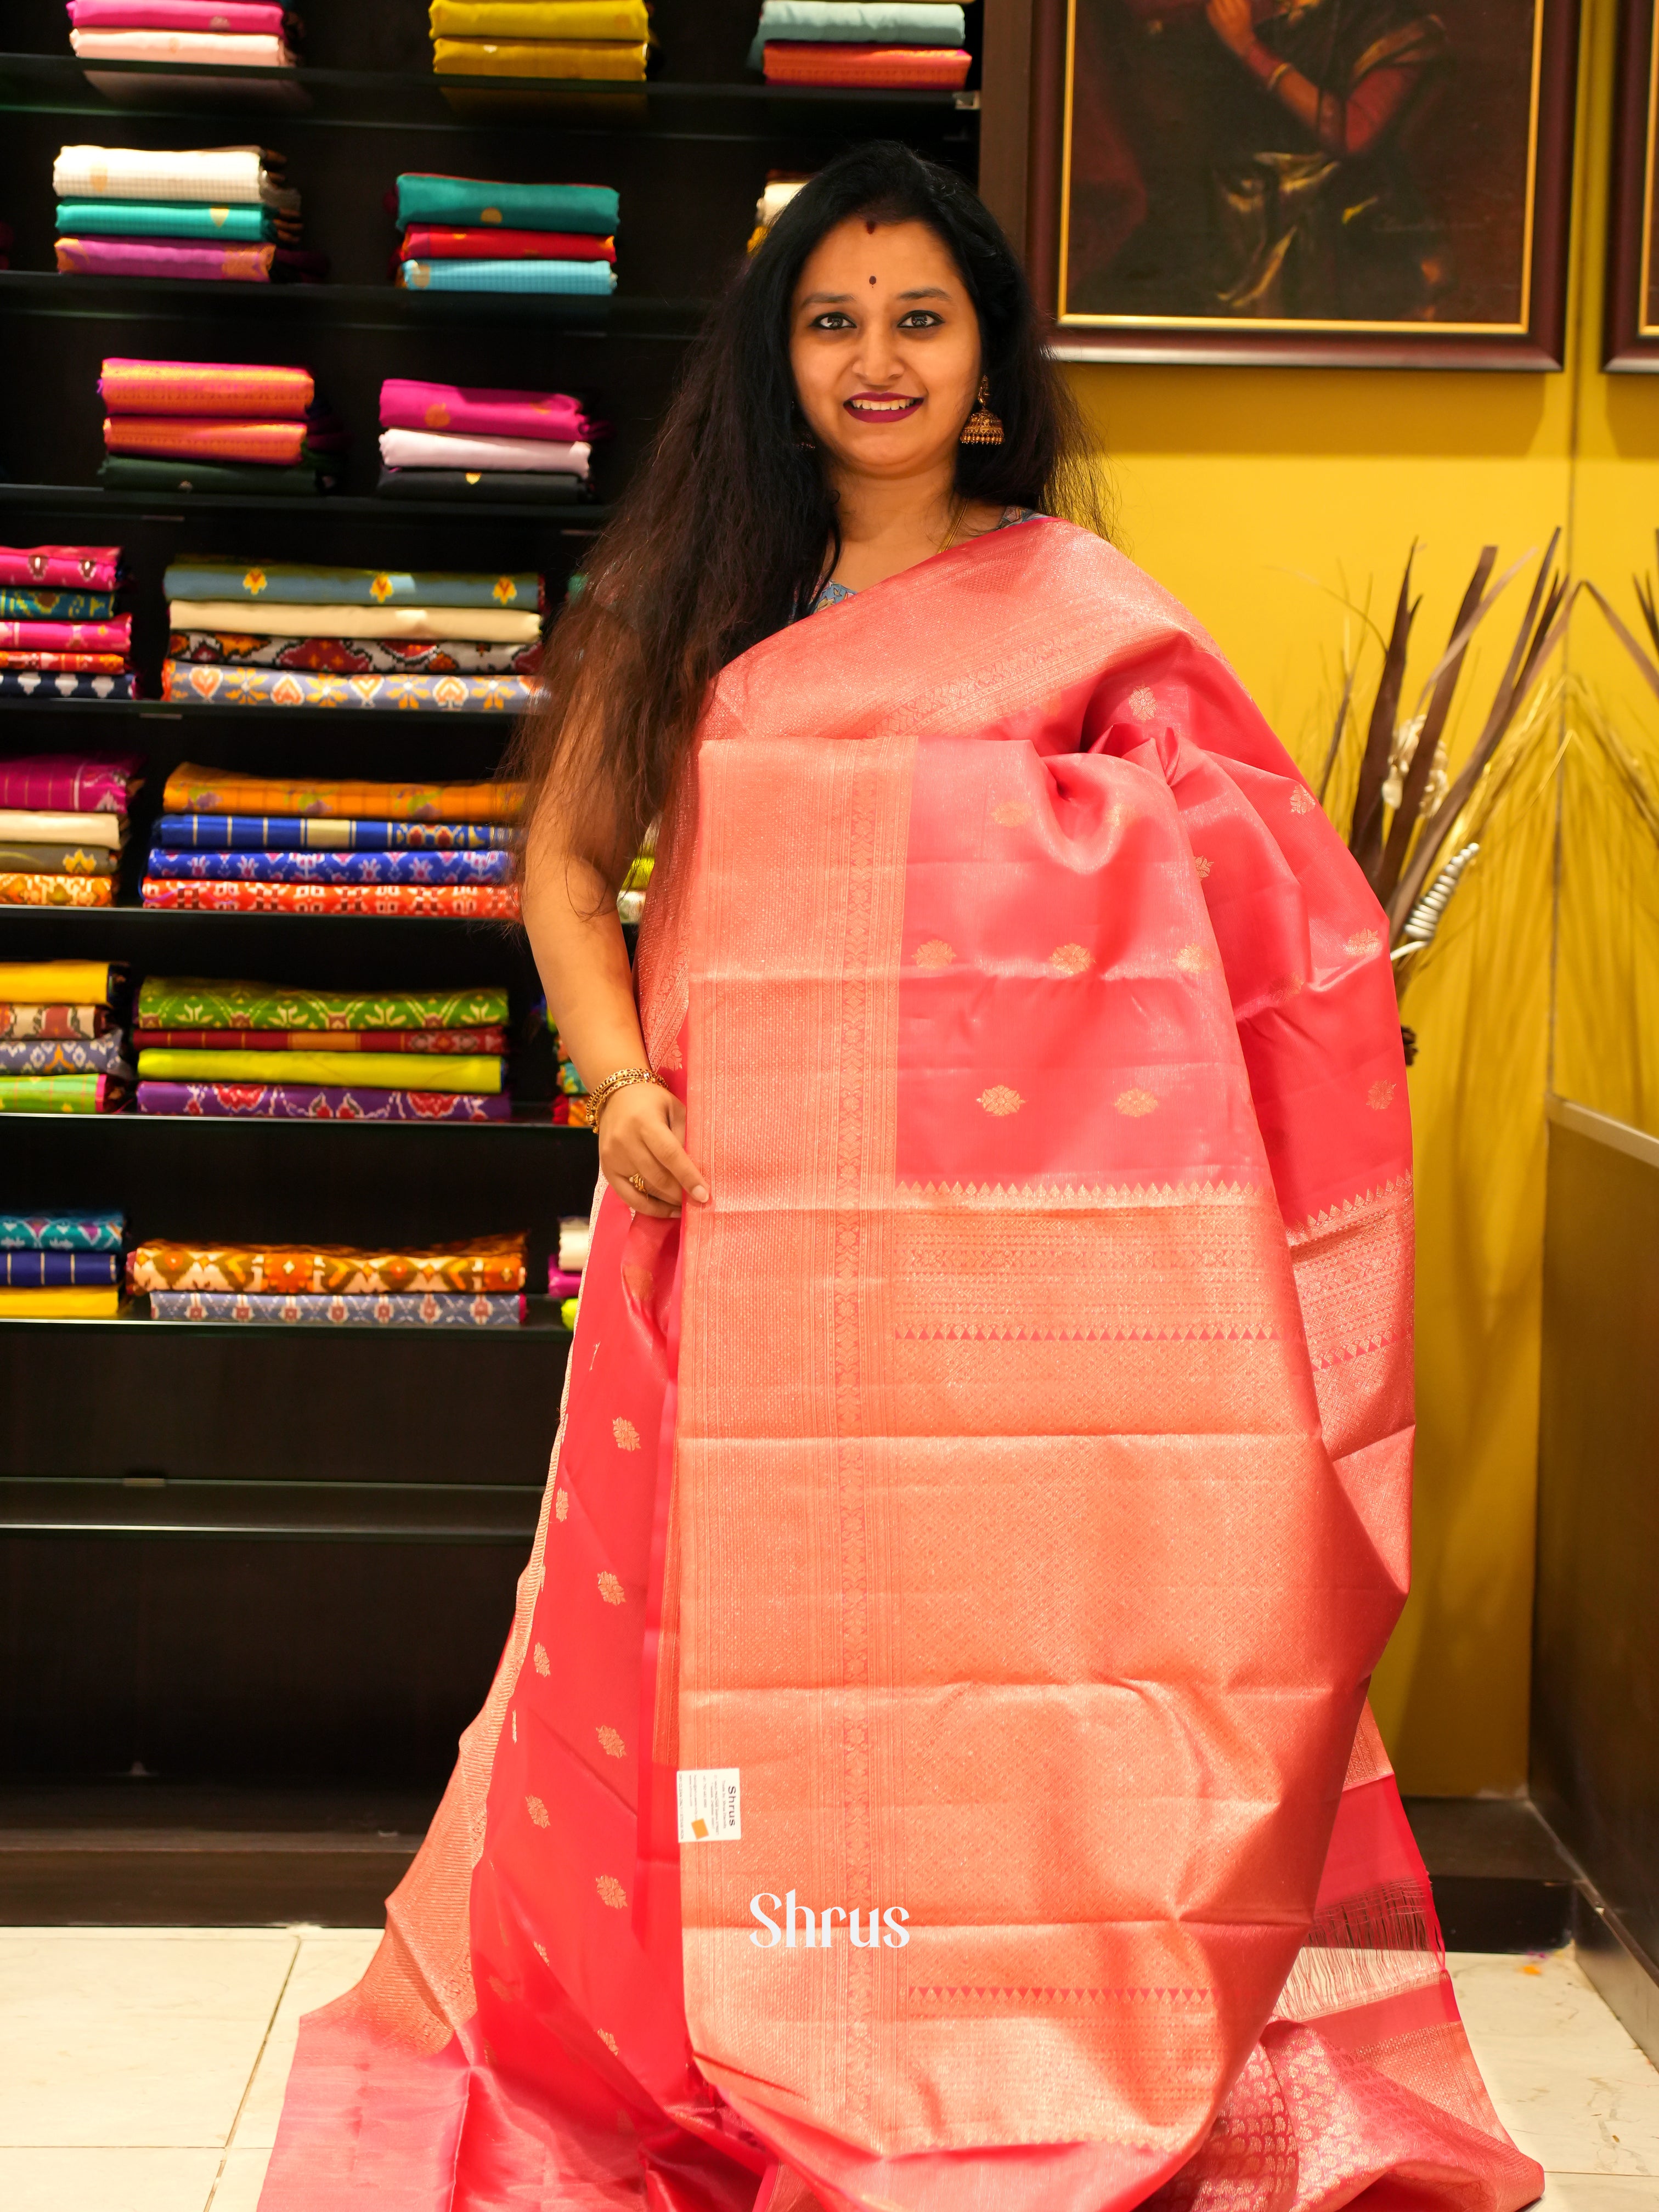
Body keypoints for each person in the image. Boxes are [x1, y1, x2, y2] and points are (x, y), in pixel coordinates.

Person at [258, 143, 1541, 2212]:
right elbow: (563, 866)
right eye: (830, 320)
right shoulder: (698, 601)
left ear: (984, 364)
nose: (875, 358)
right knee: (718, 1669)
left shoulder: (1082, 614)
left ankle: (983, 2041)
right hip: (742, 1239)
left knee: (994, 1660)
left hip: (997, 1282)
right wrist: (611, 1080)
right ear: (776, 360)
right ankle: (720, 2024)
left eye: (915, 320)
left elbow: (1261, 902)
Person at [1067, 0, 1448, 323]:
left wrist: (1248, 48)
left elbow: (1352, 132)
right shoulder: (1257, 9)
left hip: (1331, 216)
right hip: (1228, 208)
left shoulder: (1395, 25)